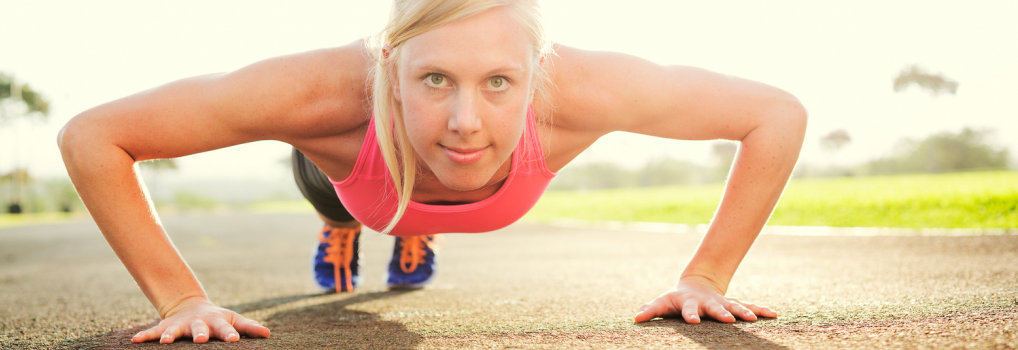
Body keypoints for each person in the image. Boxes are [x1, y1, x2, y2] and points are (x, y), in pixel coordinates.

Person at [58, 0, 805, 344]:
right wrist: (180, 300)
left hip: (440, 190)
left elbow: (775, 113)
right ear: (392, 64)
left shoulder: (588, 88)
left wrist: (704, 278)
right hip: (353, 182)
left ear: (538, 73)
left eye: (499, 84)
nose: (466, 122)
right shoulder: (321, 92)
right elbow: (95, 136)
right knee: (344, 200)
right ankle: (342, 227)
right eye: (436, 80)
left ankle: (419, 235)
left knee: (419, 203)